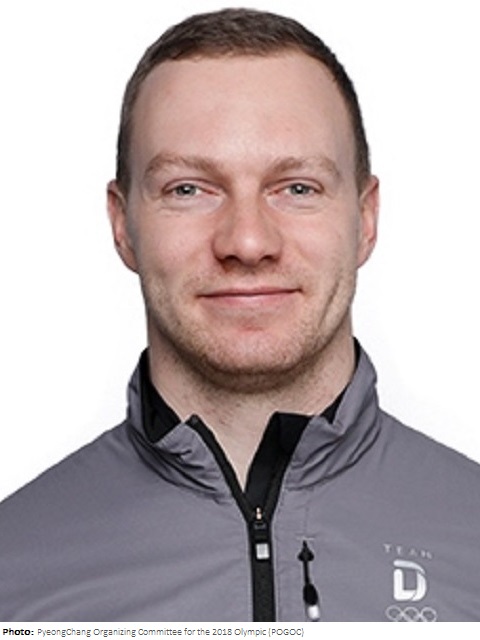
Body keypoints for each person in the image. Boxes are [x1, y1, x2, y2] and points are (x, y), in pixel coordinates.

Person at [1, 7, 479, 623]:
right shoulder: (14, 571)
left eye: (297, 188)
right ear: (122, 225)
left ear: (365, 219)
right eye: (189, 189)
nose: (248, 242)